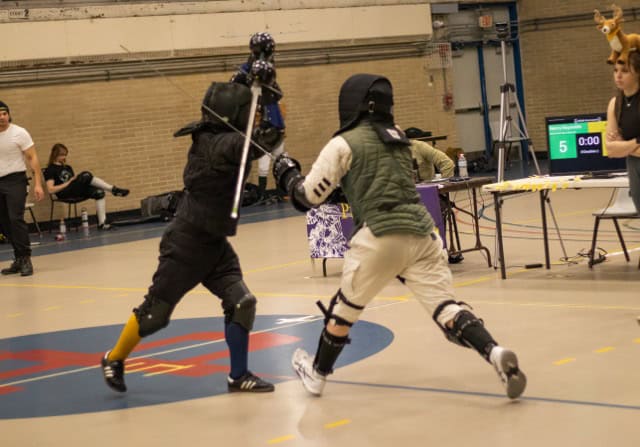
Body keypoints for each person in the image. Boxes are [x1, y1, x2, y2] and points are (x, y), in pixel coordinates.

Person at [273, 74, 527, 399]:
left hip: (379, 235)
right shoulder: (400, 138)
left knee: (344, 309)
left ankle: (317, 375)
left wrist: (288, 174)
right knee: (446, 307)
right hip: (423, 233)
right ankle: (493, 351)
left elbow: (308, 197)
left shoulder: (343, 143)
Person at [100, 80, 280, 394]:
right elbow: (266, 139)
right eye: (247, 112)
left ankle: (238, 376)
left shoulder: (217, 137)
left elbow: (243, 96)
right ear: (232, 113)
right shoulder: (218, 144)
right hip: (186, 245)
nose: (252, 117)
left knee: (242, 303)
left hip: (214, 243)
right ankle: (113, 358)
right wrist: (272, 100)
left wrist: (258, 76)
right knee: (154, 315)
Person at [231, 32, 287, 203]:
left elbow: (278, 94)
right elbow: (234, 85)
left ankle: (280, 191)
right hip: (261, 124)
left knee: (280, 158)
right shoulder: (247, 70)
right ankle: (262, 194)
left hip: (274, 123)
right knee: (264, 161)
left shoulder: (269, 72)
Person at [0, 101, 44, 277]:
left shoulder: (19, 133)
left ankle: (26, 258)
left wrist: (38, 184)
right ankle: (18, 258)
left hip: (15, 180)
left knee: (15, 218)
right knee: (4, 222)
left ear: (8, 115)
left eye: (4, 113)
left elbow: (32, 157)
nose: (2, 117)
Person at [43, 143, 129, 230]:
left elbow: (75, 183)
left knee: (99, 192)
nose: (64, 157)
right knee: (85, 174)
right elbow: (51, 190)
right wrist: (68, 182)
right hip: (64, 193)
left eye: (65, 155)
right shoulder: (50, 170)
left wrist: (77, 182)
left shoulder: (68, 167)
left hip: (74, 190)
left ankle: (102, 224)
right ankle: (112, 189)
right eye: (62, 155)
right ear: (55, 155)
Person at [605, 51, 640, 212]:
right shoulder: (615, 103)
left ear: (637, 73)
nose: (618, 75)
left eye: (624, 71)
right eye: (615, 70)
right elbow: (611, 149)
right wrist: (636, 141)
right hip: (633, 166)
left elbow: (618, 148)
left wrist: (623, 145)